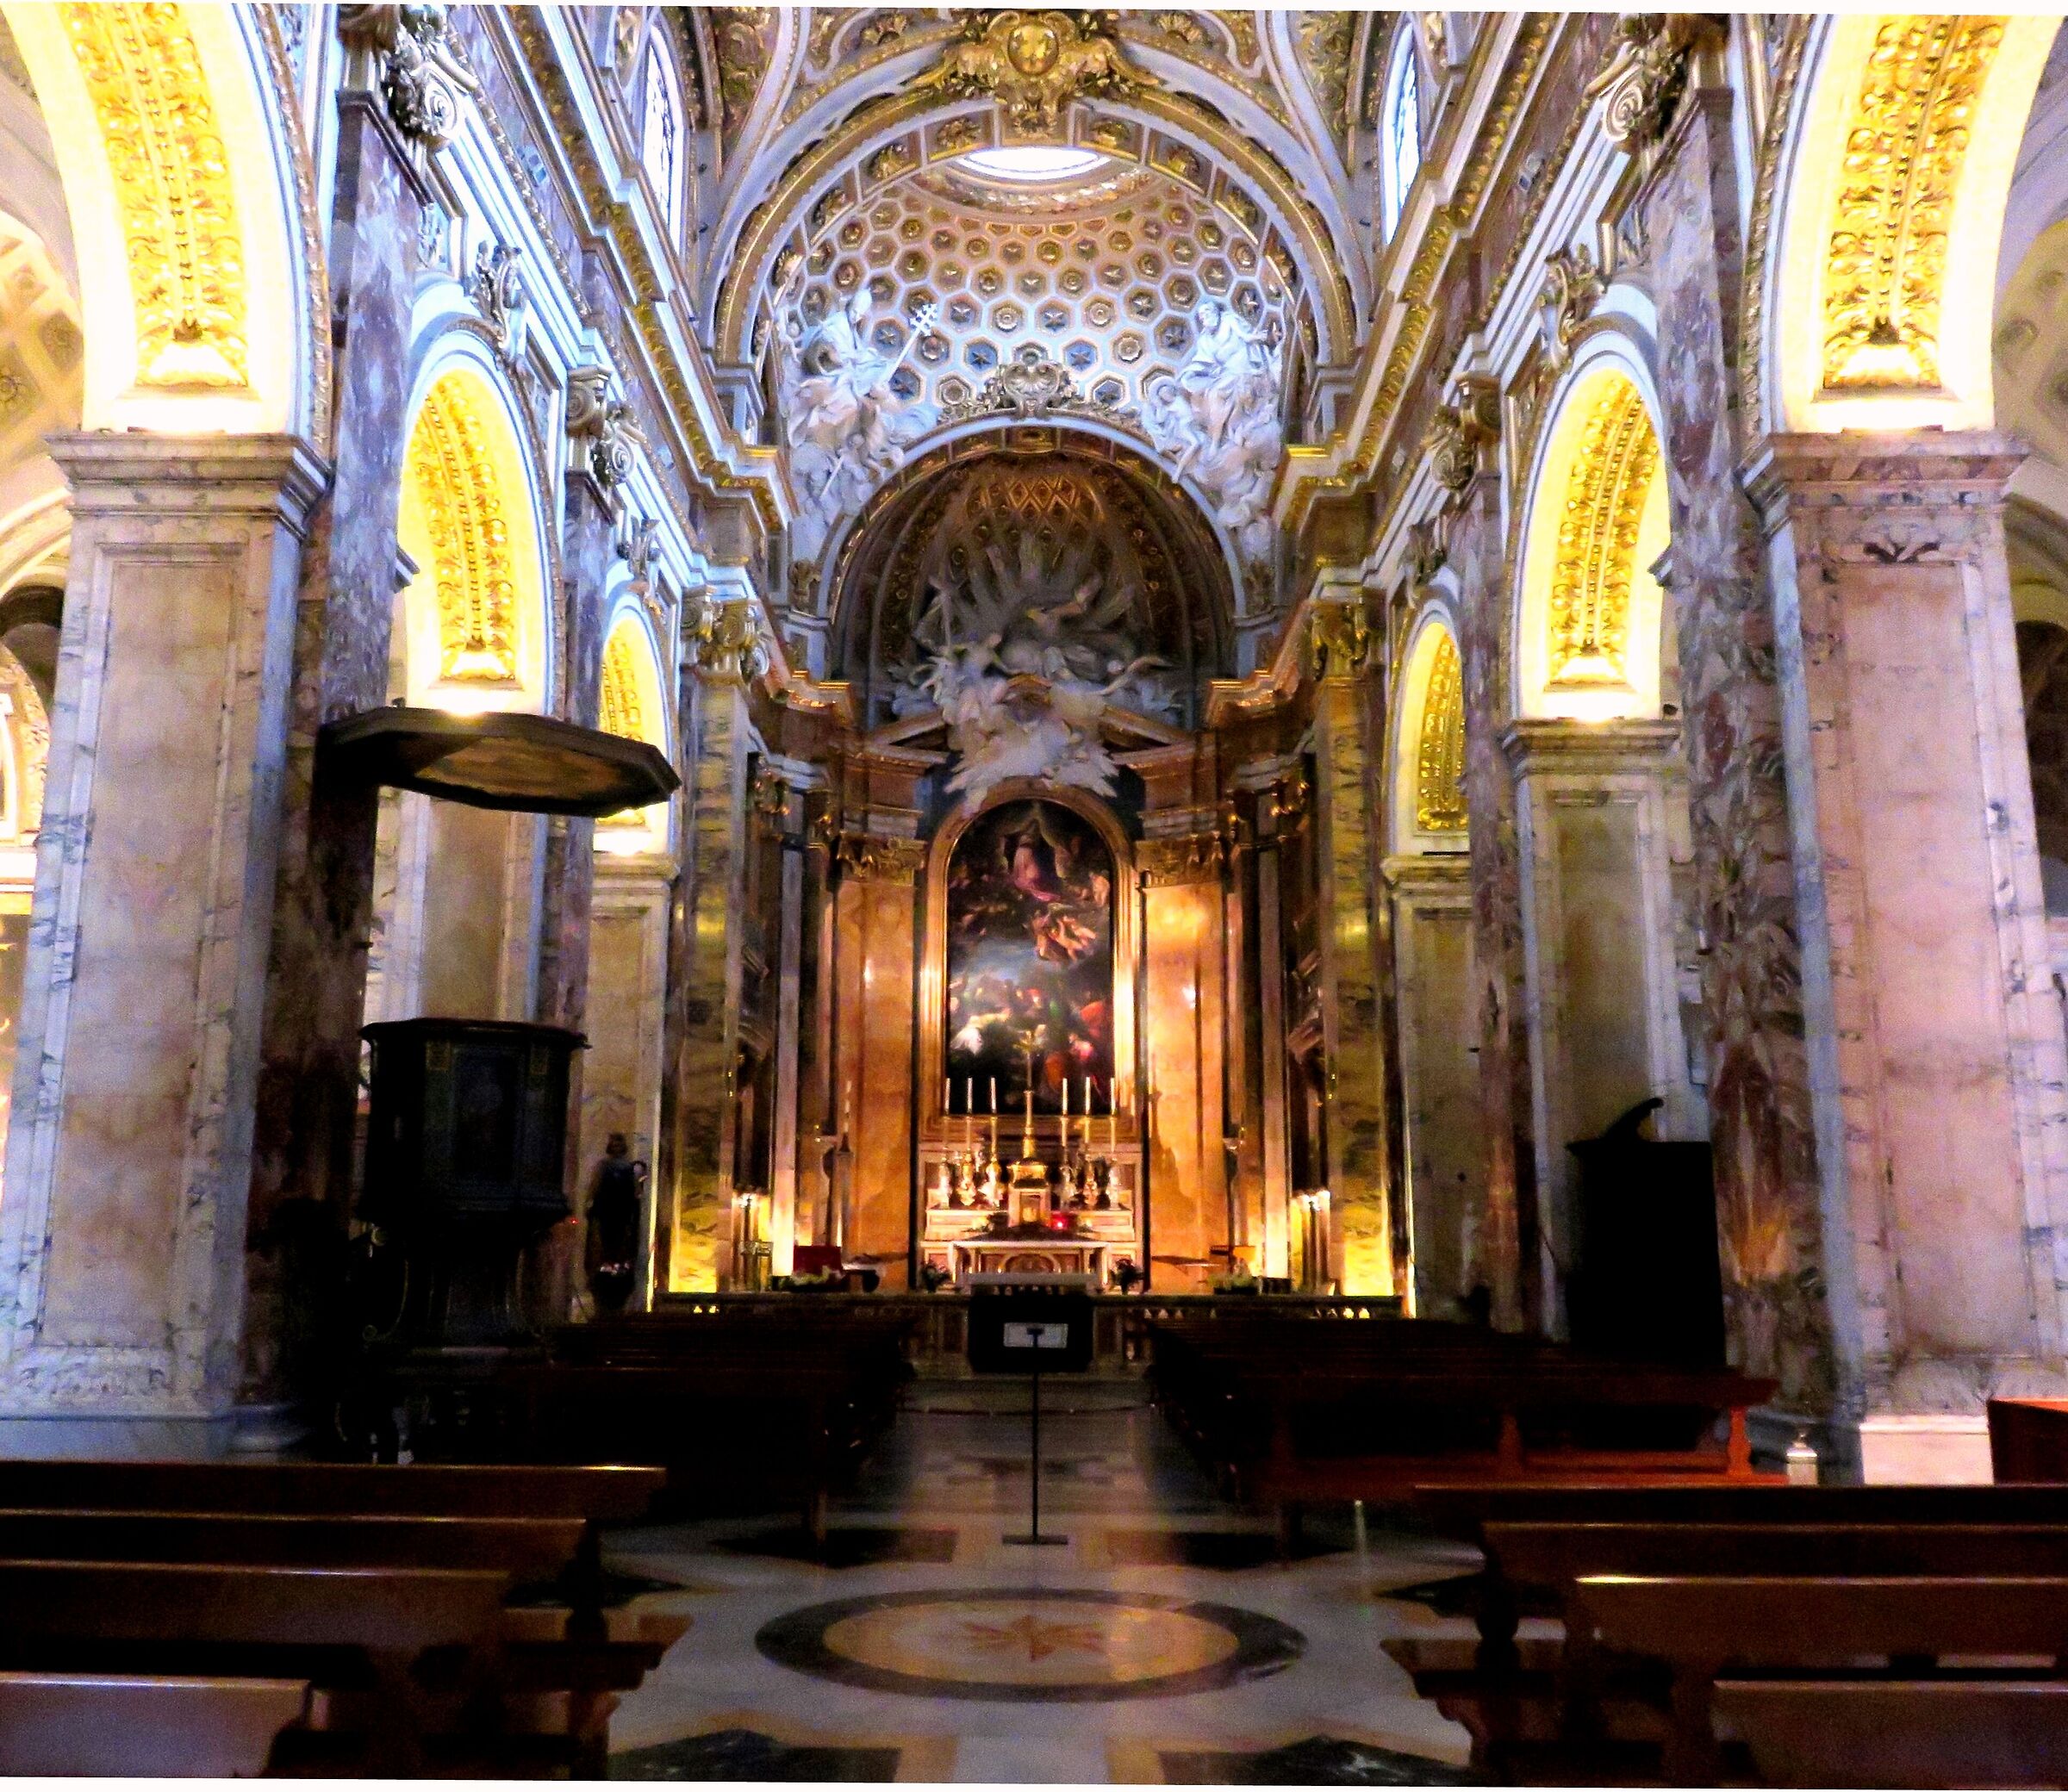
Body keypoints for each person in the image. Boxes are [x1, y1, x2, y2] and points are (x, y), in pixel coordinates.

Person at [583, 1133, 645, 1315]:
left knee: (620, 1246)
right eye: (614, 1145)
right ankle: (606, 1268)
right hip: (605, 1214)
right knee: (604, 1245)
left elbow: (636, 1194)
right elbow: (594, 1188)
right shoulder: (603, 1167)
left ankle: (617, 1268)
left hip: (622, 1215)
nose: (616, 1148)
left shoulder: (629, 1169)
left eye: (619, 1145)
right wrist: (589, 1205)